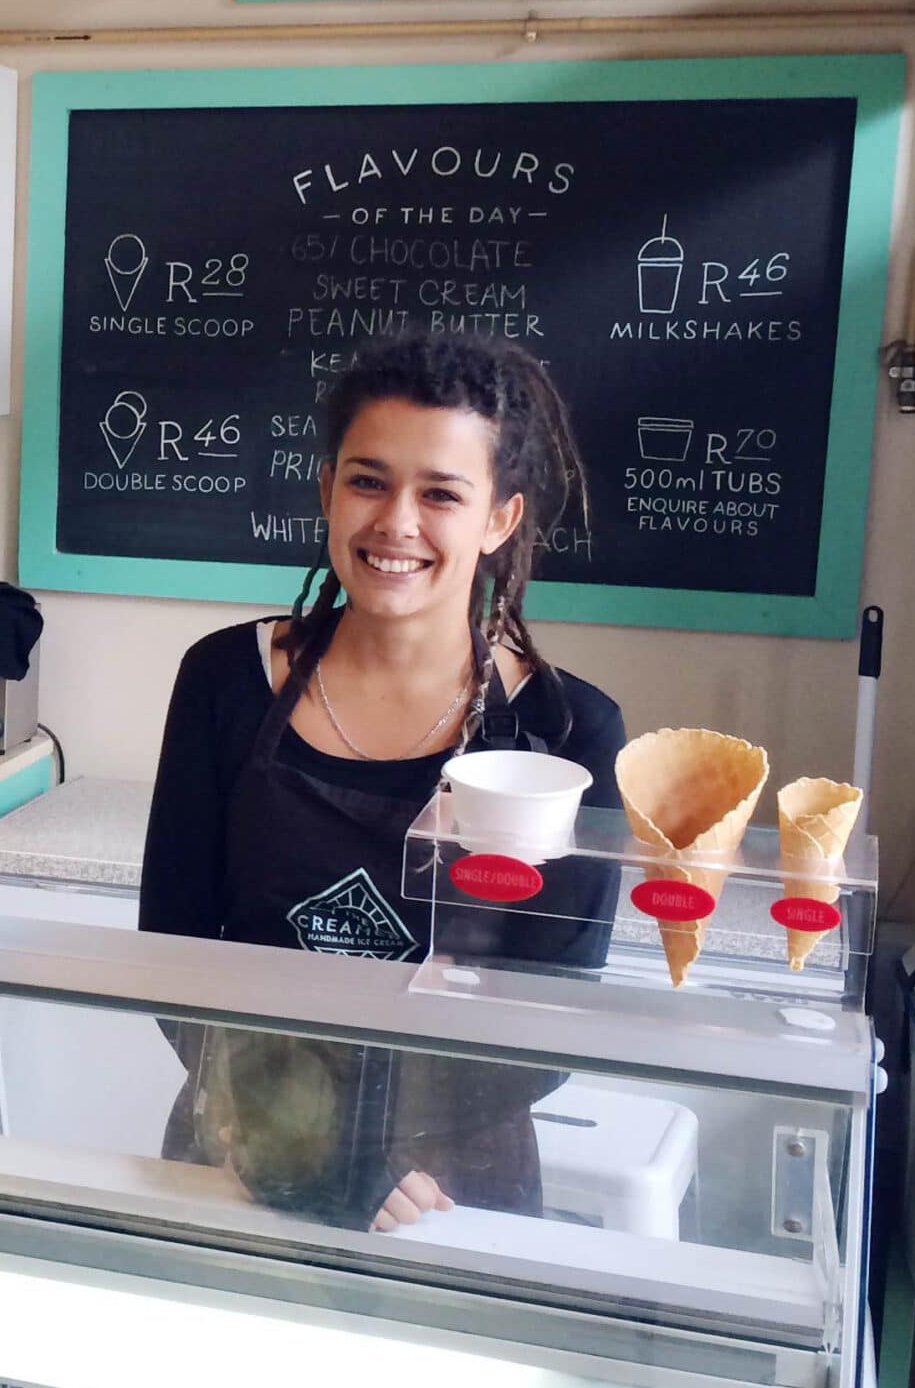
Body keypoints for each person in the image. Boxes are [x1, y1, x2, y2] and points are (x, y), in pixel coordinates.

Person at [139, 334, 625, 1233]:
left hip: (445, 1190)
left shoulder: (568, 734)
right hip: (242, 1151)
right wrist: (290, 1144)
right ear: (328, 489)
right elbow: (175, 950)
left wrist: (373, 1158)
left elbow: (552, 1015)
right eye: (368, 481)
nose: (397, 522)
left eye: (441, 493)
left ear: (499, 519)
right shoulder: (223, 681)